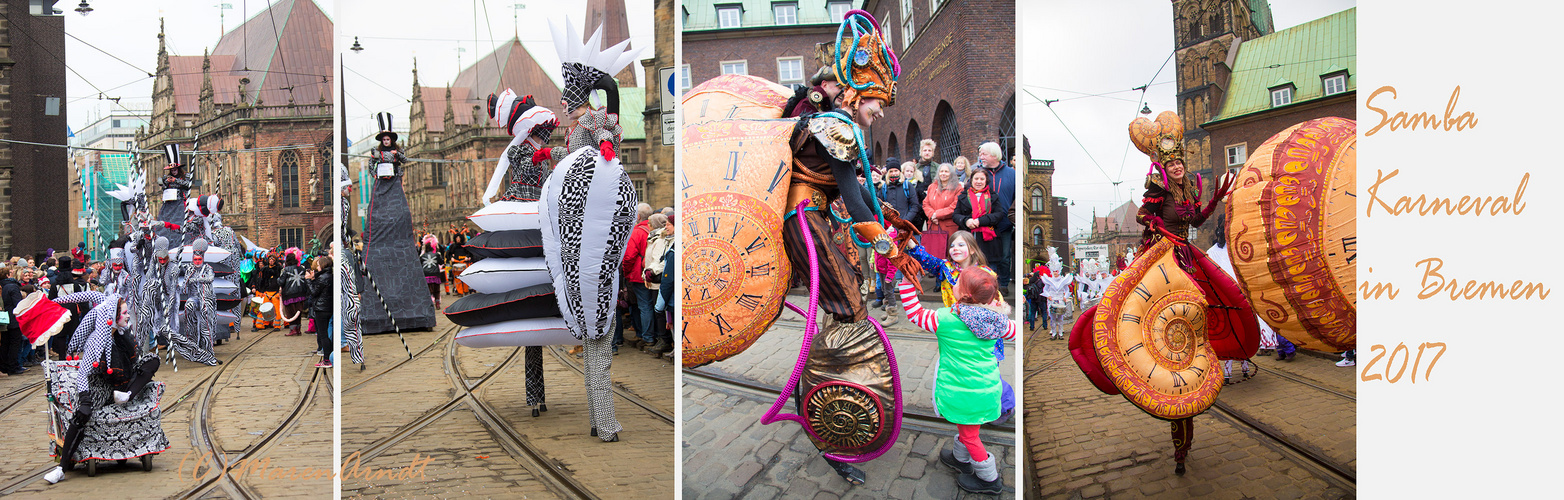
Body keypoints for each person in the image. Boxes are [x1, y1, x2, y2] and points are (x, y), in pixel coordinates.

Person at [534, 16, 644, 443]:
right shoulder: (583, 127)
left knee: (597, 342)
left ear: (577, 99)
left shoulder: (593, 124)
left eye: (567, 99)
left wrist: (604, 119)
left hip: (592, 233)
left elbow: (608, 148)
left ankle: (603, 419)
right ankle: (604, 421)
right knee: (597, 343)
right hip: (585, 236)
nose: (563, 105)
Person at [895, 268, 1014, 494]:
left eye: (958, 281)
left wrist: (907, 282)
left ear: (962, 293)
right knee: (968, 425)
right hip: (985, 390)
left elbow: (914, 313)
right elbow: (1014, 331)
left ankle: (989, 480)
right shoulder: (999, 320)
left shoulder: (945, 319)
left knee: (971, 436)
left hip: (964, 392)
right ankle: (960, 458)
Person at [44, 292, 167, 485]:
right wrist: (85, 400)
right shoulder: (97, 341)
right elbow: (84, 373)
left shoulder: (124, 334)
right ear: (112, 317)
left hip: (124, 384)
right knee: (82, 415)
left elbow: (137, 362)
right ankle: (61, 468)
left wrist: (130, 387)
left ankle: (127, 395)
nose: (128, 316)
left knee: (152, 360)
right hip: (103, 387)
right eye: (124, 313)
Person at [360, 112, 438, 333]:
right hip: (382, 187)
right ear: (381, 140)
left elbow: (405, 162)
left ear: (391, 139)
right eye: (383, 138)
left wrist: (396, 162)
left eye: (388, 139)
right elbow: (371, 169)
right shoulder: (375, 154)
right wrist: (379, 170)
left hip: (394, 185)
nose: (386, 141)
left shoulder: (396, 152)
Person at [905, 230, 997, 308]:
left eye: (961, 245)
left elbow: (995, 299)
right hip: (954, 318)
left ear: (972, 250)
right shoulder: (945, 268)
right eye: (952, 246)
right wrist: (910, 241)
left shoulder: (985, 273)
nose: (955, 248)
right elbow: (926, 259)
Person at [976, 142, 1015, 289]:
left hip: (1004, 224)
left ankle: (1003, 284)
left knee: (1004, 257)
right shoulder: (979, 173)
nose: (981, 157)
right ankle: (989, 286)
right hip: (984, 224)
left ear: (994, 155)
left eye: (983, 154)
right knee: (985, 258)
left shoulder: (1011, 174)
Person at [954, 170, 1006, 278]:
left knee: (988, 273)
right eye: (976, 178)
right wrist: (966, 221)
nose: (979, 181)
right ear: (971, 180)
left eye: (982, 179)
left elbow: (999, 214)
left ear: (986, 181)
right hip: (968, 237)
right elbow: (955, 215)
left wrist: (980, 221)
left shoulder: (993, 196)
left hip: (988, 240)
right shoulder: (963, 196)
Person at [620, 204, 654, 350]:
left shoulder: (637, 232)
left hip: (638, 274)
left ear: (638, 217)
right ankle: (649, 335)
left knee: (643, 305)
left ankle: (647, 336)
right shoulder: (655, 229)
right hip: (653, 273)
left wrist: (626, 272)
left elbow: (628, 257)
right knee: (650, 305)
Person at [640, 213, 674, 356]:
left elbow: (662, 262)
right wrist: (647, 272)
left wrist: (650, 272)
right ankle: (664, 340)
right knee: (661, 313)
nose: (665, 227)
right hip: (655, 279)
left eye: (668, 224)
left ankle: (665, 340)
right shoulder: (661, 238)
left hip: (660, 281)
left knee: (663, 313)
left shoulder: (663, 240)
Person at [922, 163, 962, 237]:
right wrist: (931, 215)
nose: (943, 174)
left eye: (946, 171)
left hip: (949, 228)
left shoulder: (958, 188)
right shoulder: (932, 187)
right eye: (941, 171)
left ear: (951, 174)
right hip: (933, 226)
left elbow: (955, 206)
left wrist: (937, 215)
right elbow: (925, 203)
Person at [308, 256, 333, 367]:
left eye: (318, 265)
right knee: (326, 333)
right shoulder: (329, 276)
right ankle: (329, 357)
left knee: (323, 334)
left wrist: (308, 281)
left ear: (323, 266)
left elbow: (314, 292)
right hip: (327, 307)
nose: (317, 267)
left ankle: (327, 360)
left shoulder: (323, 277)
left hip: (321, 308)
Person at [0, 268, 25, 375]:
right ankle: (13, 366)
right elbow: (18, 304)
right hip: (13, 319)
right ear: (7, 275)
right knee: (15, 343)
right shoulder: (13, 286)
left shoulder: (2, 287)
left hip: (3, 319)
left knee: (5, 343)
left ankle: (4, 365)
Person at [279, 252, 309, 336]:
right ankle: (298, 329)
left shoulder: (286, 270)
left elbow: (281, 281)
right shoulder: (302, 269)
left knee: (291, 313)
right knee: (298, 312)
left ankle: (293, 330)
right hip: (301, 294)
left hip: (289, 295)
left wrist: (279, 278)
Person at [254, 253, 282, 331]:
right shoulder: (265, 269)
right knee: (262, 309)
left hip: (275, 292)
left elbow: (281, 281)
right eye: (270, 259)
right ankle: (260, 325)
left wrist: (279, 291)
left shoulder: (279, 269)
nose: (271, 261)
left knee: (276, 310)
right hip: (266, 292)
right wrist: (262, 291)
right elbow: (262, 281)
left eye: (273, 260)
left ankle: (276, 325)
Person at [419, 235, 445, 309]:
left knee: (428, 291)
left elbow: (420, 265)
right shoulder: (436, 255)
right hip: (435, 274)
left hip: (426, 274)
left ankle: (429, 304)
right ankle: (437, 304)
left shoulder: (422, 256)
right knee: (436, 290)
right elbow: (441, 262)